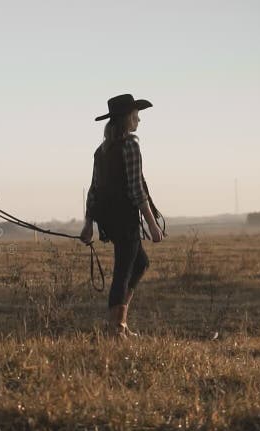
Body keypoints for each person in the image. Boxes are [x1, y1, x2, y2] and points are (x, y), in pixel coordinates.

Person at [80, 94, 164, 339]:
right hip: (125, 218)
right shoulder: (130, 146)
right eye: (135, 114)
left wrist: (89, 224)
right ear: (126, 118)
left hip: (108, 219)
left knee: (140, 264)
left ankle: (121, 324)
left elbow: (93, 190)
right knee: (123, 271)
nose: (138, 118)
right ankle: (115, 330)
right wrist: (152, 224)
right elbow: (136, 189)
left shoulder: (101, 150)